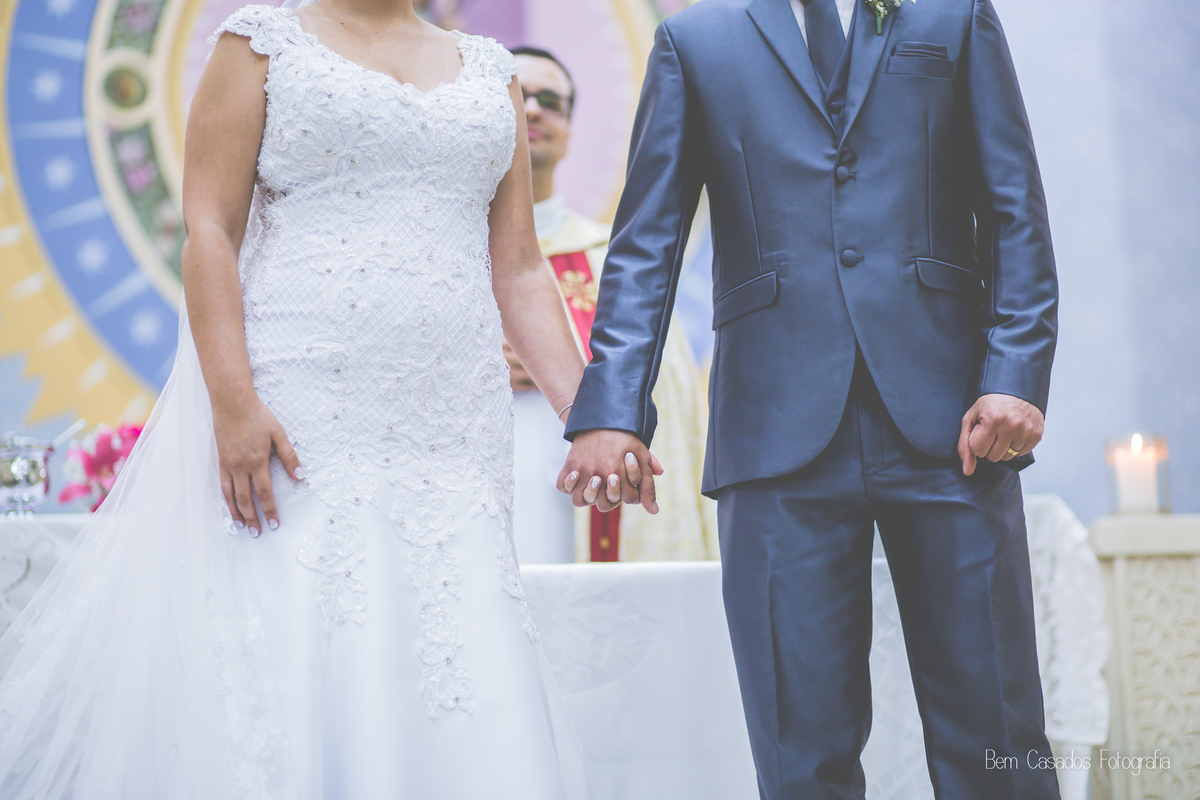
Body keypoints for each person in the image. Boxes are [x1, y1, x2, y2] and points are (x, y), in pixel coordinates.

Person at [0, 1, 591, 797]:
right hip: (303, 408)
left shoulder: (491, 72)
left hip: (452, 423)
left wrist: (591, 417)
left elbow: (517, 268)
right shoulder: (260, 44)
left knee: (458, 626)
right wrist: (232, 403)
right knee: (306, 621)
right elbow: (210, 229)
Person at [558, 0, 1061, 799]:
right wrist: (613, 410)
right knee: (798, 749)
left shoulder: (955, 15)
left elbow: (1014, 208)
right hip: (773, 431)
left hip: (954, 425)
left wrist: (1015, 373)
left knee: (997, 727)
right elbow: (646, 242)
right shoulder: (694, 41)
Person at [506, 46, 715, 564]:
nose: (532, 110)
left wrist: (576, 366)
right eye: (516, 96)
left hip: (581, 507)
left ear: (569, 131)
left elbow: (670, 390)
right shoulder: (443, 254)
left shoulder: (618, 260)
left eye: (550, 101)